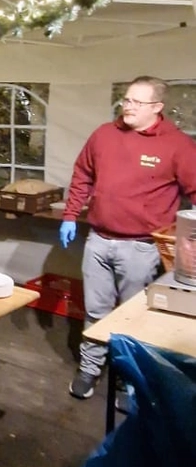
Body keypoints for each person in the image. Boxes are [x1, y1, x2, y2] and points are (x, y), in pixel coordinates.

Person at [60, 75, 196, 404]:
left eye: (137, 101)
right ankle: (90, 369)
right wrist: (69, 215)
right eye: (126, 99)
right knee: (95, 312)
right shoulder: (104, 135)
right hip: (98, 240)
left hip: (142, 247)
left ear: (157, 107)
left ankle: (128, 376)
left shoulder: (177, 145)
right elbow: (82, 174)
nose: (128, 106)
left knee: (132, 316)